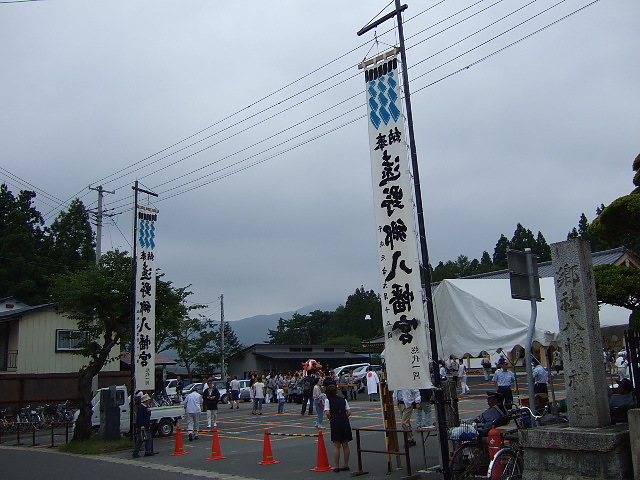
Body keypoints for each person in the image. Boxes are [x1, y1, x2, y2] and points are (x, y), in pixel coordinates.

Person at [324, 384, 352, 473]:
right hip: (344, 421)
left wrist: (331, 418)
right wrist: (344, 416)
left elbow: (328, 413)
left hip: (335, 422)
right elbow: (349, 411)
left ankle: (337, 466)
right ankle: (346, 464)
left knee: (337, 445)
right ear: (336, 391)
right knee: (345, 444)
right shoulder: (343, 399)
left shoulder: (328, 400)